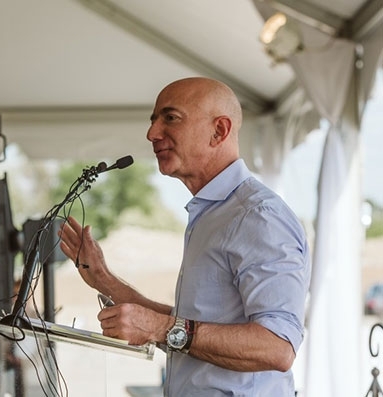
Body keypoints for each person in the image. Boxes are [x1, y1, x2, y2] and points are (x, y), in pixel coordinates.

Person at [58, 77, 311, 396]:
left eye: (170, 118)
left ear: (219, 131)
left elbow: (277, 347)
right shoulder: (213, 213)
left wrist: (159, 328)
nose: (152, 133)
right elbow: (193, 328)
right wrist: (102, 279)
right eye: (153, 120)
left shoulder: (257, 216)